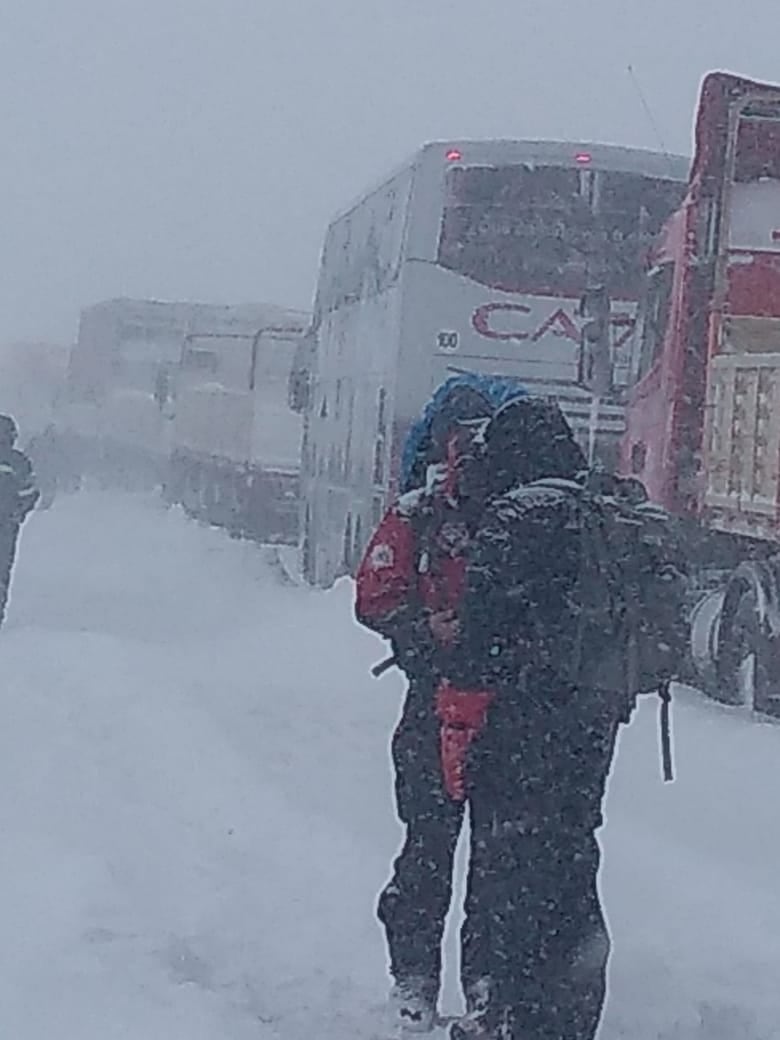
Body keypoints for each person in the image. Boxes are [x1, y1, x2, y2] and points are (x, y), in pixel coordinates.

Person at [441, 396, 686, 1039]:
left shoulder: (518, 516)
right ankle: (572, 1017)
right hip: (595, 718)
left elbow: (479, 641)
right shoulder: (611, 509)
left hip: (520, 722)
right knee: (573, 858)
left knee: (512, 868)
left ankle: (513, 1018)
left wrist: (459, 719)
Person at [355, 374, 525, 1033]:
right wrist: (428, 635)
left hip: (496, 707)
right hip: (445, 704)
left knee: (488, 856)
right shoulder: (422, 509)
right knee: (437, 849)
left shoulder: (518, 510)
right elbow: (376, 594)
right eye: (464, 439)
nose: (473, 451)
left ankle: (478, 988)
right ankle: (420, 981)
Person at [0, 414, 39, 626]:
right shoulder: (19, 462)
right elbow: (31, 492)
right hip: (6, 525)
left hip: (7, 523)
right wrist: (18, 514)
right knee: (1, 567)